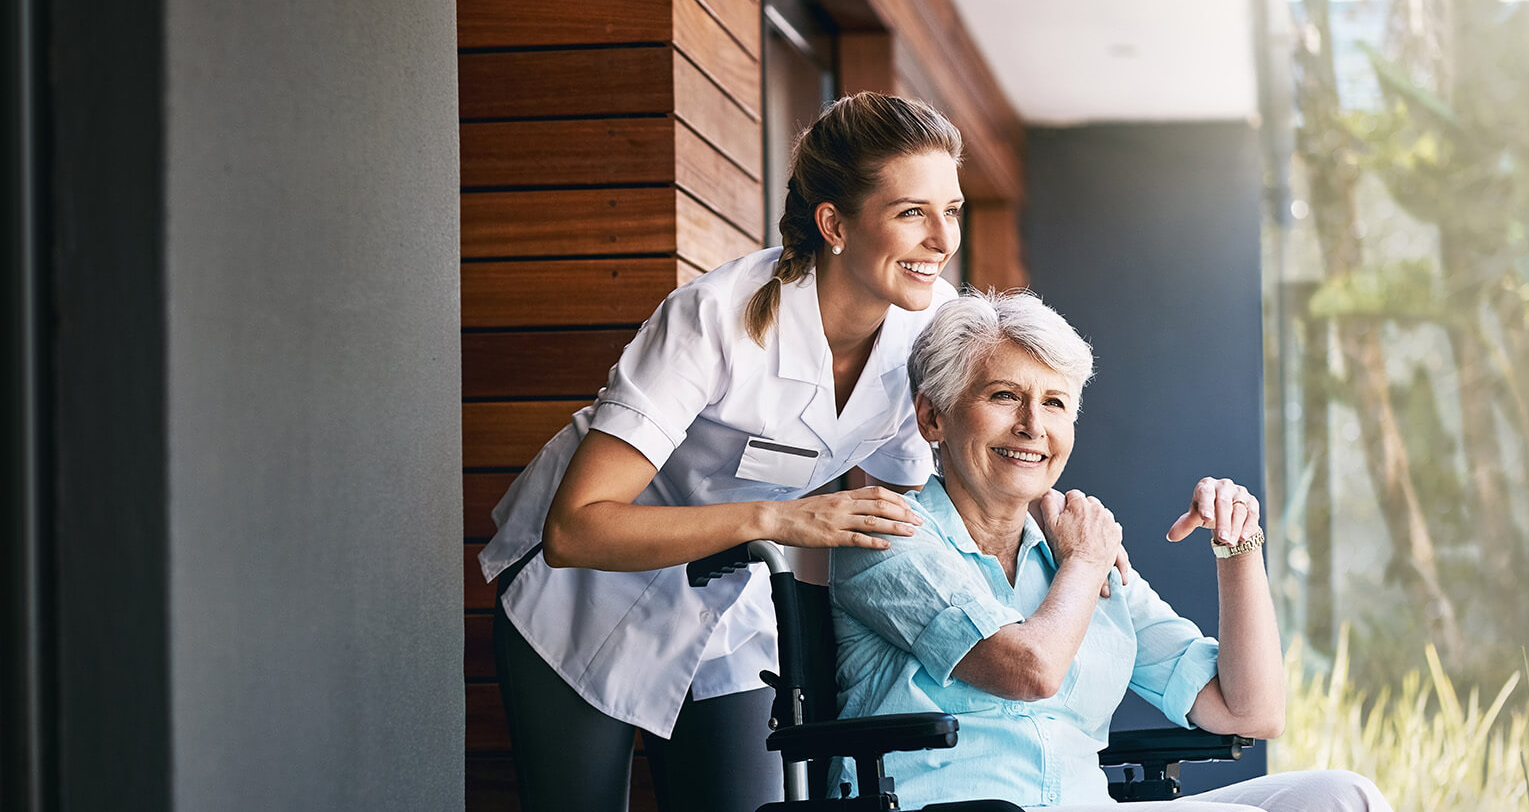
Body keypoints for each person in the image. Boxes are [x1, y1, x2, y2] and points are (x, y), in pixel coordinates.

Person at [478, 92, 969, 812]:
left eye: (951, 210)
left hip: (726, 604)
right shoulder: (715, 318)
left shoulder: (925, 331)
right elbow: (577, 528)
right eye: (912, 212)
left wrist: (1059, 534)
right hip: (582, 595)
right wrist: (776, 520)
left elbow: (925, 502)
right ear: (834, 223)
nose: (942, 239)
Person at [830, 291, 1392, 812]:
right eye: (1005, 396)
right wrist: (1083, 564)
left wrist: (1239, 545)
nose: (1032, 426)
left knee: (1341, 797)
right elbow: (1030, 671)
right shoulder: (887, 535)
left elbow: (1250, 710)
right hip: (950, 807)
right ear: (933, 417)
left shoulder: (1076, 550)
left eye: (1054, 403)